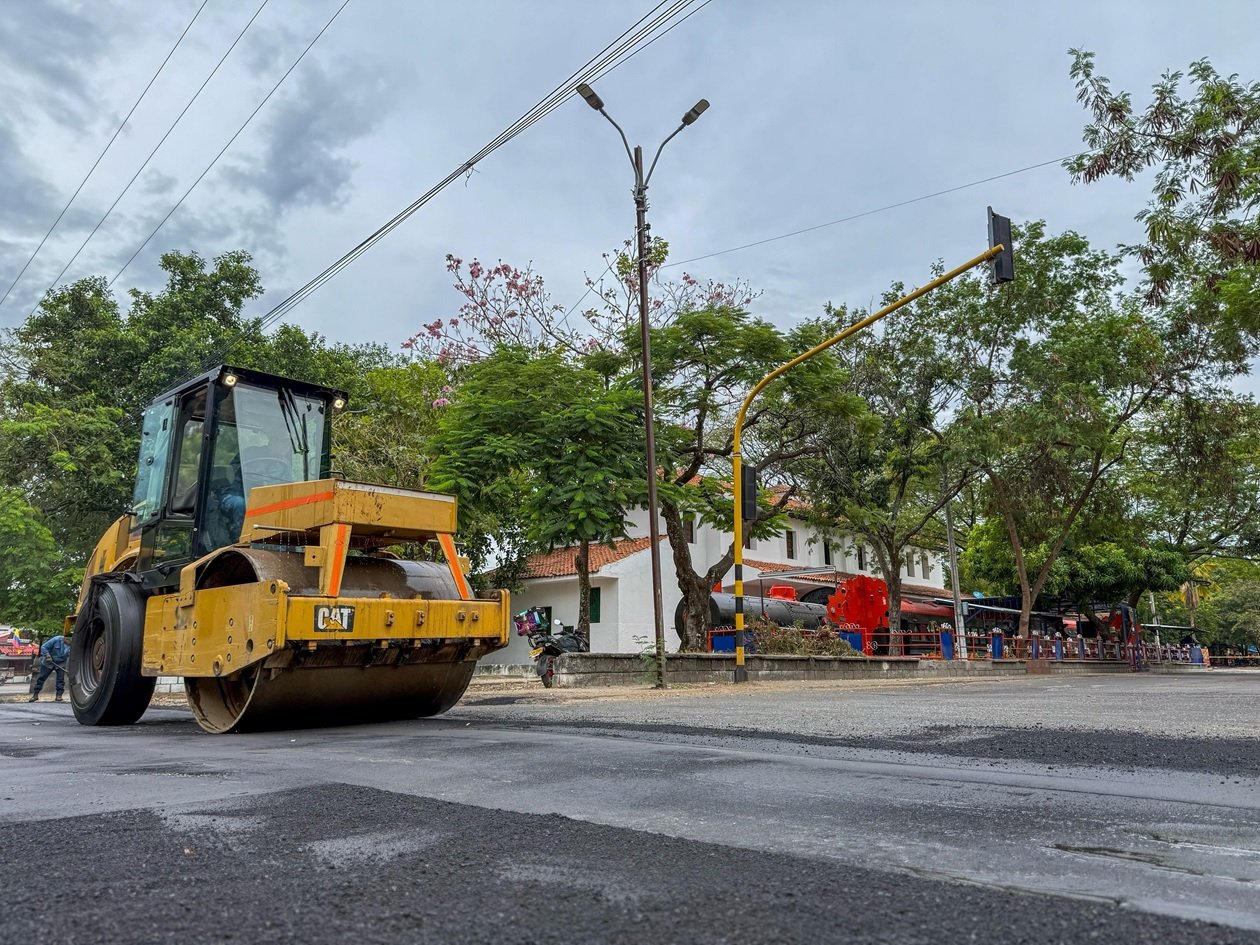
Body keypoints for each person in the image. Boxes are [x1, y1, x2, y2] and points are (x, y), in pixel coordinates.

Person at [28, 633, 72, 703]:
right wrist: (48, 656)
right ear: (65, 638)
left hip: (61, 663)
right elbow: (43, 647)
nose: (70, 642)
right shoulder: (56, 639)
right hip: (48, 662)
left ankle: (59, 696)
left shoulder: (73, 645)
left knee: (60, 680)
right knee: (41, 678)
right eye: (69, 640)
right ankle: (35, 695)